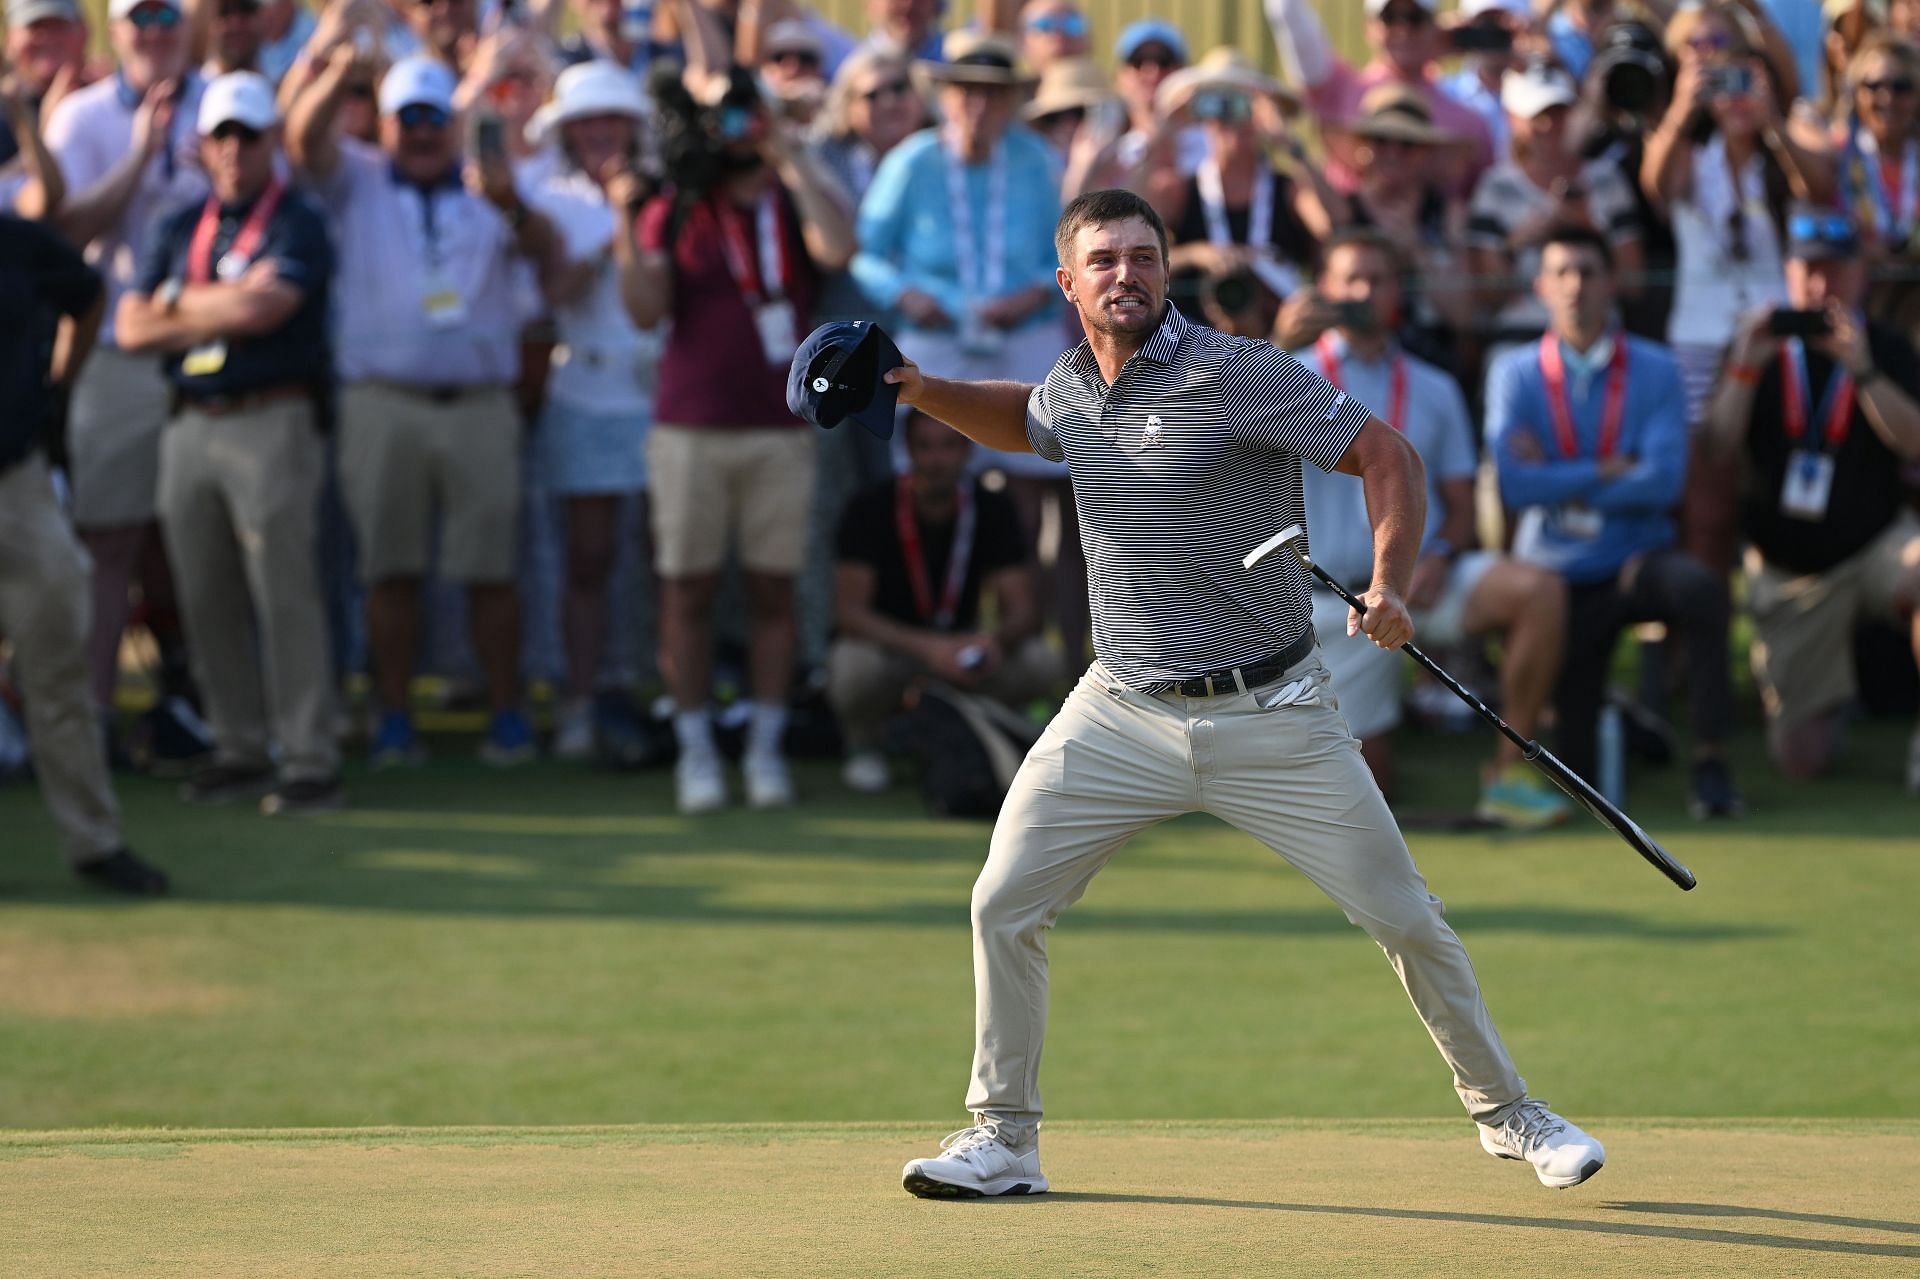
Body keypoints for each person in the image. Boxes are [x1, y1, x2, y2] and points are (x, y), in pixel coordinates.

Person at [887, 187, 1606, 1200]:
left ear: (1165, 270)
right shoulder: (1070, 386)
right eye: (1103, 260)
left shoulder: (1238, 373)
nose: (1125, 274)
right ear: (1069, 283)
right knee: (1002, 900)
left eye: (1143, 256)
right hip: (1120, 710)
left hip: (1275, 712)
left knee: (1405, 917)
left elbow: (1384, 455)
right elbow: (1026, 420)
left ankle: (1509, 1113)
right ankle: (1003, 1137)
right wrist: (916, 386)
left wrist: (1392, 584)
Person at [287, 53, 563, 767]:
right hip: (383, 401)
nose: (419, 132)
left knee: (492, 571)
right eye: (406, 118)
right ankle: (394, 718)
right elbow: (301, 141)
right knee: (390, 572)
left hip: (478, 402)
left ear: (455, 122)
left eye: (432, 118)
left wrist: (510, 203)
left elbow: (550, 256)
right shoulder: (357, 179)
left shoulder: (495, 185)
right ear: (383, 125)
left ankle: (506, 714)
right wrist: (341, 59)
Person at [620, 64, 855, 812]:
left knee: (772, 590)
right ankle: (694, 748)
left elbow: (837, 248)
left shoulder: (787, 194)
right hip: (690, 424)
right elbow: (643, 308)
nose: (734, 131)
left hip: (781, 426)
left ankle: (763, 749)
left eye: (742, 115)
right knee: (686, 589)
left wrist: (785, 149)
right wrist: (628, 219)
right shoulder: (679, 202)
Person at [115, 71, 340, 815]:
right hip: (191, 422)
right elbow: (130, 326)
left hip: (271, 418)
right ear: (202, 147)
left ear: (273, 141)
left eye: (249, 135)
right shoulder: (180, 227)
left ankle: (308, 755)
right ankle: (238, 746)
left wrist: (179, 304)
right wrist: (213, 305)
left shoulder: (297, 219)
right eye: (223, 137)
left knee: (285, 592)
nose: (236, 150)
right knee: (204, 593)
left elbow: (270, 307)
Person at [1295, 229, 1572, 825]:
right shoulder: (1275, 372)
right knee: (1369, 789)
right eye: (1351, 278)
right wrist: (1270, 342)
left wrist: (1441, 553)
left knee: (1538, 592)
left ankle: (1507, 773)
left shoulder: (1435, 385)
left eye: (1379, 278)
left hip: (1420, 583)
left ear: (1400, 291)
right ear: (1325, 290)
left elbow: (1462, 505)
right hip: (1325, 603)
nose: (1365, 290)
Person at [1487, 225, 1745, 818]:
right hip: (1556, 577)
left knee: (1701, 588)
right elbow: (1515, 484)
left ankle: (1711, 761)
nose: (1576, 285)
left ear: (1613, 284)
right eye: (1562, 272)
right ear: (1541, 287)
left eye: (1588, 271)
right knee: (1578, 763)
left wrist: (1558, 474)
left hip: (1636, 560)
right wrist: (1608, 467)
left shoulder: (1655, 369)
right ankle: (1631, 727)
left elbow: (1663, 482)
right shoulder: (1515, 373)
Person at [853, 30, 1084, 665]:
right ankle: (920, 661)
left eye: (992, 95)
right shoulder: (913, 159)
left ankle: (1053, 661)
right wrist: (906, 295)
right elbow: (867, 254)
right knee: (924, 484)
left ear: (1011, 101)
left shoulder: (1037, 160)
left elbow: (1062, 250)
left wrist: (1040, 288)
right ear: (946, 97)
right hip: (938, 339)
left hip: (1024, 332)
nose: (978, 108)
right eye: (966, 94)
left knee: (1049, 498)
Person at [1706, 206, 1920, 789]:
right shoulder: (1755, 344)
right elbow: (1718, 447)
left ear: (1859, 275)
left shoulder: (1884, 345)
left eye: (1834, 270)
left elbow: (1913, 442)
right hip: (1789, 572)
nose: (1821, 285)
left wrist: (1863, 371)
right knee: (1802, 760)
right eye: (1809, 271)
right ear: (1788, 273)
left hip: (1876, 546)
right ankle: (1833, 697)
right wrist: (1745, 369)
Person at [44, 0, 207, 750]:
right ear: (118, 28)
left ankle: (215, 711)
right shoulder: (80, 119)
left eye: (168, 15)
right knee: (108, 541)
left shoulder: (224, 105)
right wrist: (141, 154)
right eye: (140, 17)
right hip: (116, 351)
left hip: (216, 350)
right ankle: (98, 719)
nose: (155, 31)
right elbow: (62, 232)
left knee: (206, 544)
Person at [0, 210, 169, 895]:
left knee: (58, 669)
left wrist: (53, 387)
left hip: (17, 478)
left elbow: (87, 294)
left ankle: (95, 842)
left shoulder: (15, 239)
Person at [1640, 0, 1831, 577]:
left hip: (1777, 335)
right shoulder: (1687, 149)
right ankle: (1707, 637)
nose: (1734, 93)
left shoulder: (1788, 138)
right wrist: (1683, 106)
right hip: (1698, 339)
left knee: (1777, 479)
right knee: (1705, 503)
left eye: (1745, 78)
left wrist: (1772, 120)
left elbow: (1820, 189)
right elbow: (1656, 187)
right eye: (1721, 80)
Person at [521, 60, 661, 761]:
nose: (601, 132)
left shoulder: (666, 190)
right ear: (569, 132)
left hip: (661, 392)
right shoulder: (542, 192)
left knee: (665, 558)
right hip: (584, 392)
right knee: (589, 555)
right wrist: (617, 219)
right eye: (587, 122)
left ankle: (652, 693)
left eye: (612, 119)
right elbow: (556, 289)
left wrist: (632, 209)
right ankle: (578, 698)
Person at [829, 408, 1053, 793]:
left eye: (949, 446)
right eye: (926, 447)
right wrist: (929, 649)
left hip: (965, 649)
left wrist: (993, 642)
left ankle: (993, 730)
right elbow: (850, 613)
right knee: (851, 665)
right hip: (894, 650)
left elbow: (1023, 610)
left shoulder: (992, 506)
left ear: (967, 451)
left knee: (1040, 660)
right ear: (908, 451)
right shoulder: (871, 506)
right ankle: (866, 745)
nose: (937, 460)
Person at [1468, 60, 1644, 351]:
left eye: (1561, 112)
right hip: (1519, 340)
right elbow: (1490, 294)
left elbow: (1633, 283)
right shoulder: (1494, 187)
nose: (1550, 126)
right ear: (1513, 119)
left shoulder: (1607, 180)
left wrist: (1588, 230)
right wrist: (1519, 242)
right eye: (1537, 115)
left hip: (1600, 340)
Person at [1156, 47, 1335, 317]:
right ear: (1202, 116)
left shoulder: (1289, 189)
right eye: (1218, 105)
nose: (1233, 119)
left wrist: (1287, 142)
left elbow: (1334, 226)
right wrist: (1196, 253)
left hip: (1276, 347)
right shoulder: (1181, 189)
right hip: (1197, 348)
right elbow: (1129, 239)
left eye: (1243, 105)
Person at [1264, 0, 1496, 197]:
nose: (1403, 30)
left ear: (1435, 27)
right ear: (1369, 27)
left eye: (1415, 18)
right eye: (1390, 18)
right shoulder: (1339, 88)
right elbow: (1287, 15)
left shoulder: (1471, 124)